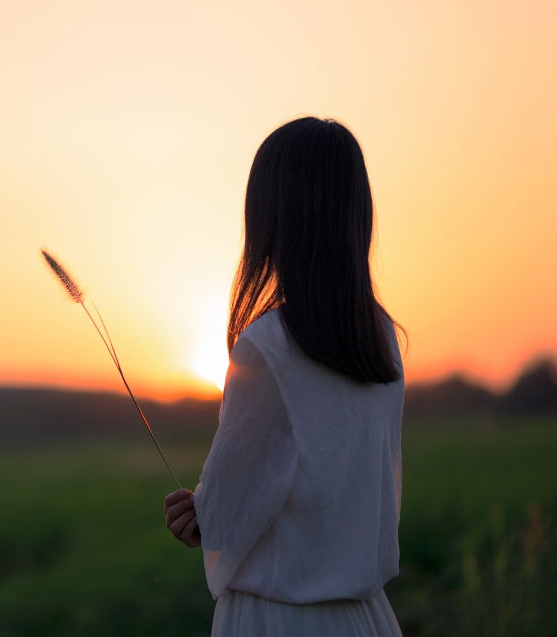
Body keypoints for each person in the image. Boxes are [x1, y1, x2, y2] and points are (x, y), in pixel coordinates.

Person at [164, 117, 406, 637]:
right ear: (354, 214)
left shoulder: (268, 345)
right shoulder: (382, 339)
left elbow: (226, 519)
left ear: (273, 214)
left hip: (277, 619)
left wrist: (198, 515)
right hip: (368, 619)